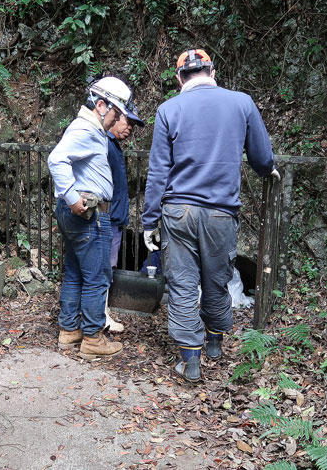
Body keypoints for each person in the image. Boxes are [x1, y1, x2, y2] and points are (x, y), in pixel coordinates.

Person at [142, 49, 279, 382]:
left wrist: (149, 221)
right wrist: (269, 170)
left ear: (178, 78)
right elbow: (261, 157)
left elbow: (158, 170)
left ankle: (190, 360)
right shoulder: (242, 103)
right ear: (213, 72)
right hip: (220, 211)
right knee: (217, 280)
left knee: (183, 284)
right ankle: (215, 342)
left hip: (179, 212)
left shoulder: (168, 109)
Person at [48, 76, 135, 360]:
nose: (116, 121)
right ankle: (93, 339)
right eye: (116, 114)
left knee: (74, 272)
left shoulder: (89, 127)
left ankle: (69, 330)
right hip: (89, 214)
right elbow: (56, 159)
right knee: (97, 277)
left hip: (80, 212)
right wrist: (73, 198)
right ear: (101, 105)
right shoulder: (86, 128)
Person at [104, 102, 145, 333]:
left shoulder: (113, 146)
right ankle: (100, 315)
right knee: (104, 269)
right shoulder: (105, 144)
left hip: (114, 217)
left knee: (107, 267)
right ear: (115, 116)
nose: (129, 128)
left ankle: (101, 312)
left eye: (133, 125)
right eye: (127, 121)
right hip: (107, 218)